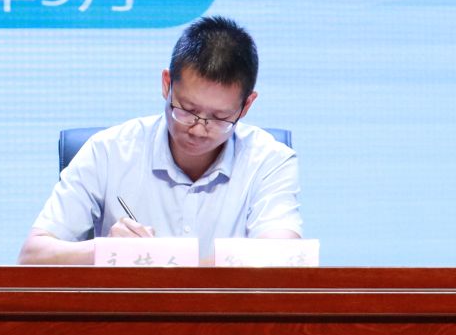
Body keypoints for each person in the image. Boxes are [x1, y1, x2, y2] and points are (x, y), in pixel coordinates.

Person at [18, 15, 301, 265]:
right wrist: (106, 251)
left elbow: (283, 255)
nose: (198, 129)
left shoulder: (269, 160)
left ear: (246, 106)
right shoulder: (108, 151)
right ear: (167, 84)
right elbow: (32, 255)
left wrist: (169, 262)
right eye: (187, 110)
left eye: (219, 117)